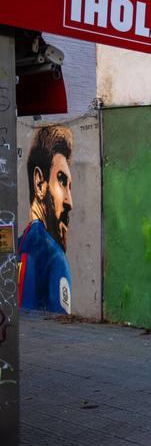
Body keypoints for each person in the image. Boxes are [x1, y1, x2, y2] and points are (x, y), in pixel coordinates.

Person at [20, 125, 74, 314]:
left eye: (70, 187)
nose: (70, 202)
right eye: (61, 180)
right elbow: (59, 330)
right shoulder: (55, 258)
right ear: (39, 183)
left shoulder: (17, 247)